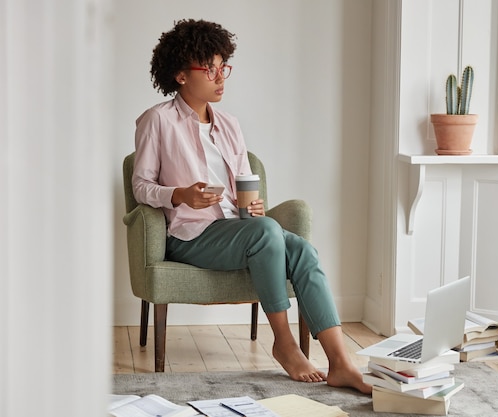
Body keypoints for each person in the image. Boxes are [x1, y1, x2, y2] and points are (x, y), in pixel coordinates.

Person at [132, 18, 371, 395]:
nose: (219, 76)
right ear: (180, 75)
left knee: (304, 251)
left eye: (222, 66)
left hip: (236, 228)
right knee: (266, 234)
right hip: (190, 234)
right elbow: (141, 186)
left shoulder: (229, 124)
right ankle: (284, 343)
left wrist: (253, 206)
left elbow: (243, 180)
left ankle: (341, 362)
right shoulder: (156, 121)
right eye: (208, 68)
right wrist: (180, 195)